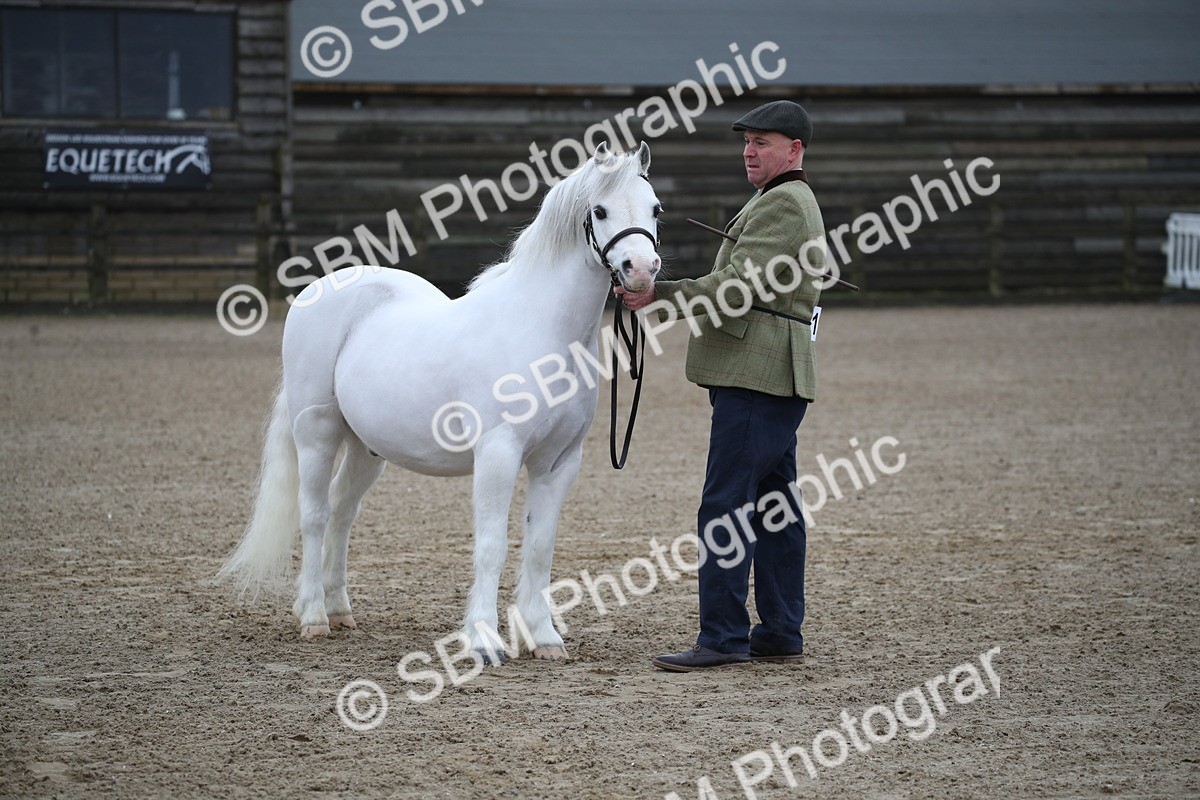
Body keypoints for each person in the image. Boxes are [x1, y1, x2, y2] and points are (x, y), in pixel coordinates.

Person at [617, 100, 825, 671]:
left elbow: (736, 287)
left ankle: (724, 636)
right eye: (747, 142)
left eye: (763, 142)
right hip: (771, 375)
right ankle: (781, 629)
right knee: (776, 505)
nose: (750, 152)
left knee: (726, 504)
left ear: (795, 150)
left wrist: (661, 294)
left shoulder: (785, 203)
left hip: (756, 377)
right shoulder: (778, 200)